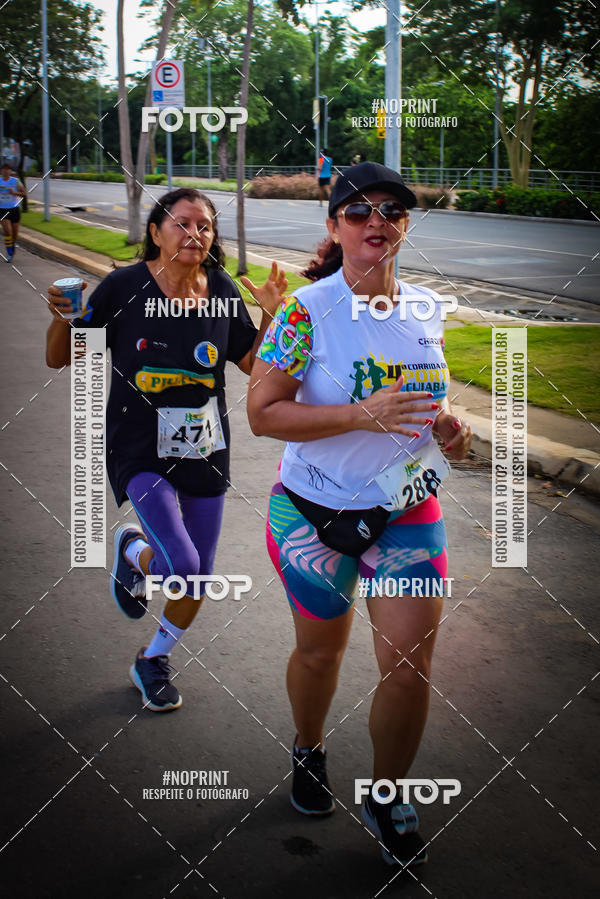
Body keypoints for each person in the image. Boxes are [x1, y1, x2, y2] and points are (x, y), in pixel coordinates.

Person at [247, 162, 472, 867]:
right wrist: (358, 414)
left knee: (409, 663)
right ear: (334, 226)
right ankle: (308, 746)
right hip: (313, 512)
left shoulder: (429, 308)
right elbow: (261, 412)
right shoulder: (302, 313)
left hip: (407, 510)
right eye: (358, 210)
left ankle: (388, 792)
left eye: (392, 210)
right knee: (321, 652)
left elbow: (429, 400)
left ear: (405, 226)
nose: (377, 220)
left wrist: (448, 427)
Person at [46, 188, 287, 712]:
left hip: (204, 448)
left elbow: (253, 365)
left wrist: (269, 315)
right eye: (182, 223)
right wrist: (63, 316)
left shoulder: (222, 289)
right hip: (139, 448)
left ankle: (151, 657)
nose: (195, 233)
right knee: (183, 564)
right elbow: (59, 358)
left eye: (205, 226)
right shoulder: (124, 287)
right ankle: (137, 551)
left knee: (198, 575)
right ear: (156, 232)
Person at [0, 162, 26, 262]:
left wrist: (14, 192)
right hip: (2, 210)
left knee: (14, 235)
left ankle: (12, 245)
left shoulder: (15, 181)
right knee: (8, 232)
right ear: (1, 171)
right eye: (4, 169)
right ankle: (9, 253)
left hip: (14, 209)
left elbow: (24, 193)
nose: (6, 171)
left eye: (8, 169)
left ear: (10, 171)